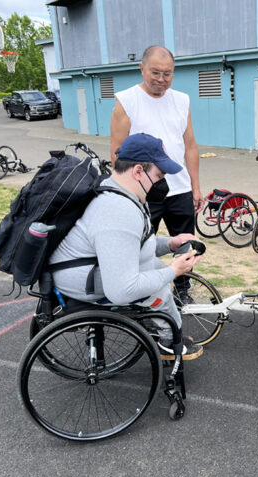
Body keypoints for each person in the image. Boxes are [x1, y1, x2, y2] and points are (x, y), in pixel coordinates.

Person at [49, 133, 203, 360]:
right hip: (80, 280)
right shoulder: (119, 211)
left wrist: (171, 243)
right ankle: (169, 342)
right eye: (159, 175)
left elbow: (134, 244)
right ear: (138, 171)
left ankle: (163, 328)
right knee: (158, 285)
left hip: (82, 267)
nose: (163, 183)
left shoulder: (122, 192)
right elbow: (122, 290)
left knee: (154, 266)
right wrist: (174, 271)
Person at [110, 45, 202, 301]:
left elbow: (190, 146)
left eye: (167, 74)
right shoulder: (127, 101)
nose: (161, 80)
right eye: (155, 73)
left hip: (180, 189)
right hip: (145, 191)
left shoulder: (182, 100)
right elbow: (117, 152)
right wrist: (125, 195)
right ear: (142, 69)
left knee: (185, 243)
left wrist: (195, 187)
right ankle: (142, 291)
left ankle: (183, 290)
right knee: (141, 245)